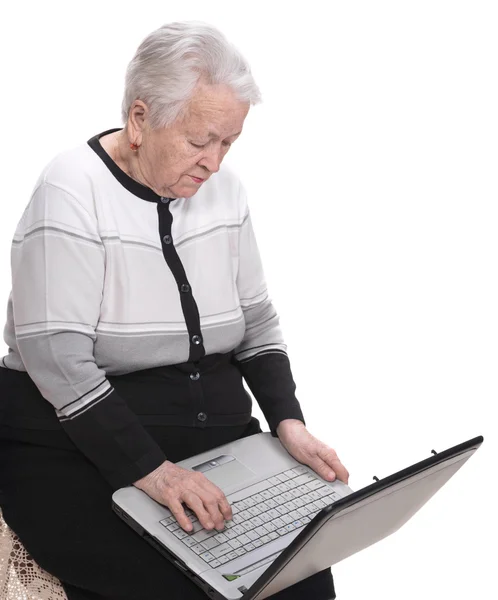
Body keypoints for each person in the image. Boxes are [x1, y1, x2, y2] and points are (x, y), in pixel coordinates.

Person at [0, 21, 349, 600]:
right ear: (140, 120)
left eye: (228, 142)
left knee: (299, 577)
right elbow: (58, 360)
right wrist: (153, 472)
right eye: (199, 140)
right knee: (194, 585)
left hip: (212, 435)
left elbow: (256, 324)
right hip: (75, 445)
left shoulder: (225, 190)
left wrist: (288, 420)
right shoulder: (70, 188)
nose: (214, 162)